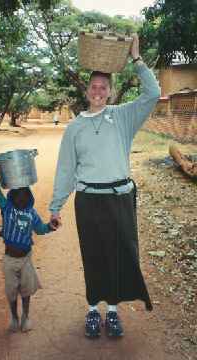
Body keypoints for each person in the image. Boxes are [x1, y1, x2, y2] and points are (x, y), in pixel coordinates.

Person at [49, 34, 161, 338]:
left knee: (121, 254)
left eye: (103, 88)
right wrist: (55, 207)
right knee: (94, 255)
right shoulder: (74, 128)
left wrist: (136, 59)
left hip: (120, 199)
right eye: (94, 87)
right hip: (88, 201)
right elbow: (66, 170)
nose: (98, 92)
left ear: (110, 92)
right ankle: (92, 310)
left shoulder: (123, 116)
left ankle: (112, 311)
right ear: (87, 91)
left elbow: (152, 93)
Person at [0, 158, 58, 332]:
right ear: (11, 196)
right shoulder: (6, 207)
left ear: (29, 197)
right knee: (11, 291)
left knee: (25, 291)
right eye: (17, 195)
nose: (21, 198)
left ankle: (26, 316)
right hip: (9, 261)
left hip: (25, 259)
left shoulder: (31, 214)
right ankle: (14, 317)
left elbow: (40, 229)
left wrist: (50, 226)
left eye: (25, 194)